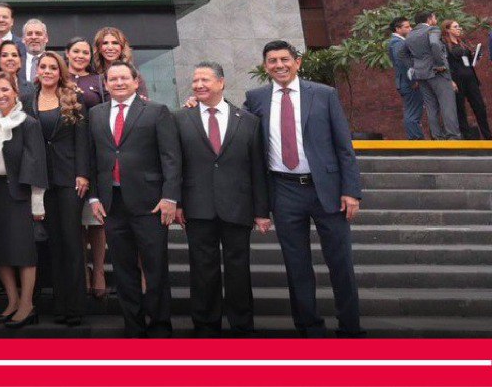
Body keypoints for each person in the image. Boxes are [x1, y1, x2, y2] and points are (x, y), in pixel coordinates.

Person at [243, 40, 364, 338]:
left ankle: (350, 328)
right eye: (272, 61)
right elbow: (236, 127)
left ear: (297, 62)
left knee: (341, 263)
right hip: (284, 191)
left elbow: (343, 146)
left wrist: (351, 191)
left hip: (328, 190)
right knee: (296, 264)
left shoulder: (324, 94)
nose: (279, 65)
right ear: (265, 66)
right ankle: (309, 328)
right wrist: (196, 104)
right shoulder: (255, 98)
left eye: (285, 59)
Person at [174, 62, 270, 337]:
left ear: (221, 83)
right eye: (195, 80)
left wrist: (261, 210)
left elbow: (257, 169)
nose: (199, 85)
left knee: (238, 269)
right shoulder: (180, 118)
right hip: (197, 206)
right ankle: (205, 326)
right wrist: (178, 202)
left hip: (238, 206)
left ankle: (242, 325)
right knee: (203, 270)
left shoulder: (248, 120)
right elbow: (175, 164)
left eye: (205, 79)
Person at [86, 60, 180, 338]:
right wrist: (93, 197)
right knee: (123, 269)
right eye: (112, 79)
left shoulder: (157, 111)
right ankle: (134, 326)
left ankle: (161, 325)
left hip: (151, 203)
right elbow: (92, 158)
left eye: (124, 78)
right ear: (105, 85)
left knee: (155, 267)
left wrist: (170, 197)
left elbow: (171, 159)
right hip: (112, 203)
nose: (118, 83)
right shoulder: (96, 114)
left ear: (136, 81)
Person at [0, 71, 48, 329]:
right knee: (1, 251)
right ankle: (13, 301)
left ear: (16, 92)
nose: (1, 95)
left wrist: (37, 203)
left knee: (24, 251)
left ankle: (28, 304)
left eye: (5, 90)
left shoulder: (28, 123)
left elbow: (37, 164)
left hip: (20, 194)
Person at [24, 51, 91, 326]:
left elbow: (82, 140)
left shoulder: (74, 98)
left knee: (71, 242)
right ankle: (58, 304)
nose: (48, 71)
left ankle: (74, 307)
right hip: (41, 180)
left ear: (60, 71)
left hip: (69, 179)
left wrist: (83, 174)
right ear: (37, 71)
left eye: (53, 67)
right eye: (44, 67)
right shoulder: (28, 100)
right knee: (51, 244)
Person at [400, 11, 461, 139]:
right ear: (429, 19)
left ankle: (437, 137)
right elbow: (434, 44)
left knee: (431, 107)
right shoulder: (432, 30)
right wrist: (439, 64)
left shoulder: (411, 34)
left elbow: (402, 53)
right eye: (434, 17)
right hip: (437, 73)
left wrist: (413, 66)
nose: (436, 19)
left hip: (421, 75)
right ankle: (453, 136)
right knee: (447, 104)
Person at [442, 19, 491, 139]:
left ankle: (487, 135)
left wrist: (476, 56)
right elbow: (445, 64)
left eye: (459, 26)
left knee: (479, 107)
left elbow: (468, 61)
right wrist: (450, 81)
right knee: (460, 109)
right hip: (457, 80)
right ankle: (467, 136)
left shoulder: (462, 42)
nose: (459, 29)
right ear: (447, 29)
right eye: (455, 27)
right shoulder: (444, 45)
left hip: (471, 78)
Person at [387, 17, 425, 140]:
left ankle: (415, 138)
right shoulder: (398, 43)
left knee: (412, 111)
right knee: (413, 112)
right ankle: (416, 140)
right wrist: (413, 80)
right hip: (408, 83)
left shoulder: (396, 42)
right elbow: (402, 62)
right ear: (398, 29)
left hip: (405, 82)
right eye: (407, 27)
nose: (411, 29)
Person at [93, 27, 148, 100]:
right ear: (99, 48)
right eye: (105, 43)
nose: (110, 47)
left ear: (122, 47)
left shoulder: (134, 75)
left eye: (115, 43)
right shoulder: (92, 75)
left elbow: (144, 104)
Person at [20, 19, 49, 86]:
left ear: (46, 38)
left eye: (38, 33)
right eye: (29, 34)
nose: (34, 37)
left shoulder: (56, 62)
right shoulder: (16, 63)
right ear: (23, 39)